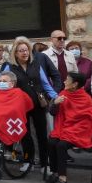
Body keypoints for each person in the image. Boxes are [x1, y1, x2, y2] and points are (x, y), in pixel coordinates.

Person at [8, 37, 57, 167]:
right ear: (15, 53)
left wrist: (55, 96)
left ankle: (44, 163)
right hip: (21, 106)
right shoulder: (10, 67)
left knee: (42, 134)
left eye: (26, 50)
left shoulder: (36, 64)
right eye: (21, 51)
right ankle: (27, 161)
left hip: (38, 104)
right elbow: (5, 85)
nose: (24, 53)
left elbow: (45, 84)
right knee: (25, 135)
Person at [46, 72, 92, 183]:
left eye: (67, 80)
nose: (64, 82)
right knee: (51, 141)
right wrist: (55, 103)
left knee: (61, 145)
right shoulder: (63, 94)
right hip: (64, 127)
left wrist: (73, 128)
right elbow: (53, 113)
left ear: (75, 84)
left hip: (80, 130)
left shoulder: (86, 98)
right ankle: (55, 172)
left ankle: (62, 178)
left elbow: (87, 120)